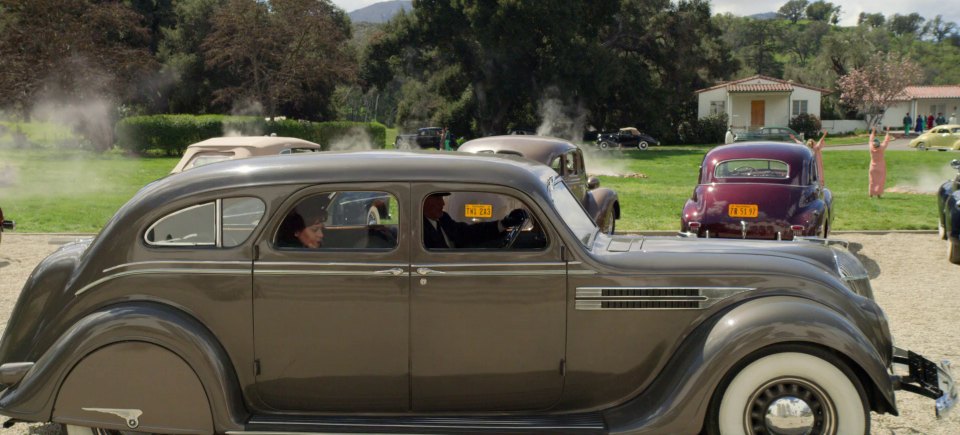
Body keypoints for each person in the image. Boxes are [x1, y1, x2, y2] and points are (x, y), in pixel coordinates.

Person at [422, 193, 528, 249]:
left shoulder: (443, 219)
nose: (443, 204)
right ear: (424, 200)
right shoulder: (419, 227)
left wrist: (503, 224)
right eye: (438, 199)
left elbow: (468, 232)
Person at [868, 127, 891, 199]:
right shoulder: (881, 148)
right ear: (879, 144)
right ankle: (879, 195)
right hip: (880, 167)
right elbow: (886, 141)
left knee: (872, 181)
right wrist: (887, 131)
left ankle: (871, 195)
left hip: (873, 167)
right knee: (880, 181)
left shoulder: (871, 148)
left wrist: (873, 131)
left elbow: (871, 140)